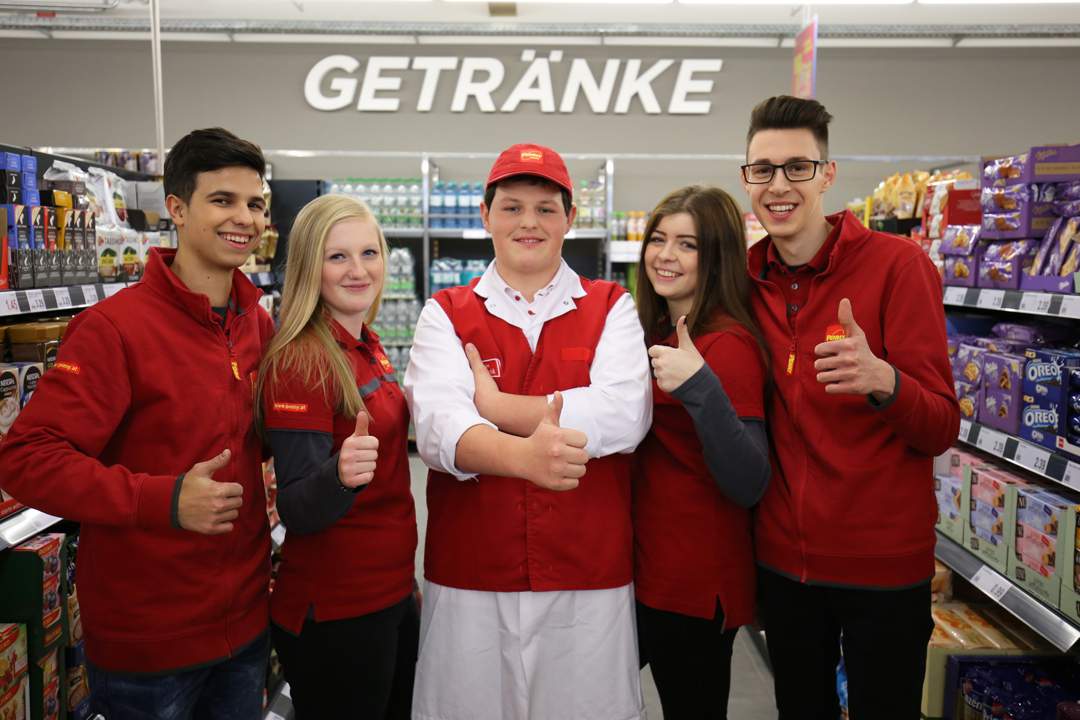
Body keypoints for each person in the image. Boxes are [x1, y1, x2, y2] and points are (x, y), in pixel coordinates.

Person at [0, 127, 275, 719]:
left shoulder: (258, 324)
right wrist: (164, 499)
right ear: (176, 208)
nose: (245, 218)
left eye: (255, 203)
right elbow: (27, 457)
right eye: (222, 200)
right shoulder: (114, 329)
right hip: (150, 647)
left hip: (246, 626)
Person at [403, 143, 652, 720]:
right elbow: (440, 427)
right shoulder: (446, 312)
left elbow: (625, 412)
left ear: (571, 218)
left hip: (587, 572)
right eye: (512, 207)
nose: (529, 223)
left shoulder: (612, 306)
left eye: (545, 208)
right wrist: (529, 457)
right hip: (472, 571)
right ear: (485, 215)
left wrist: (496, 406)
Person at [740, 95, 959, 720]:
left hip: (883, 566)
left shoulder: (899, 267)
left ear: (828, 175)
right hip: (784, 565)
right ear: (746, 179)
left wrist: (885, 379)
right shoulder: (746, 279)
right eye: (763, 169)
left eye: (797, 168)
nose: (778, 185)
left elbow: (941, 423)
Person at [255, 194, 419, 719]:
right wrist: (341, 477)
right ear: (310, 267)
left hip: (388, 590)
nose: (358, 270)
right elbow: (299, 508)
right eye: (338, 257)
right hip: (338, 611)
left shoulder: (365, 341)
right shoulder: (304, 360)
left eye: (369, 253)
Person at [632, 185, 770, 720]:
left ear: (716, 256)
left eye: (687, 245)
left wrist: (700, 386)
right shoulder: (666, 330)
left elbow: (748, 479)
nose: (666, 255)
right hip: (657, 568)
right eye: (659, 239)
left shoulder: (726, 344)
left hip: (693, 582)